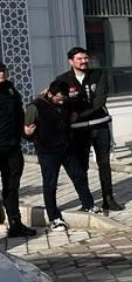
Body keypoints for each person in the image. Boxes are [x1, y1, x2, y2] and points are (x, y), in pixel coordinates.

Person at [56, 48, 123, 213]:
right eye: (79, 59)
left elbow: (99, 101)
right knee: (81, 165)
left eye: (85, 58)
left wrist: (78, 114)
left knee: (104, 163)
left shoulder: (98, 74)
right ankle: (87, 201)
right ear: (71, 61)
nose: (84, 61)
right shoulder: (63, 80)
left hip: (99, 124)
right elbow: (61, 102)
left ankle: (108, 198)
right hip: (78, 130)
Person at [25, 79, 97, 231]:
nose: (61, 101)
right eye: (59, 98)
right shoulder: (36, 107)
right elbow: (27, 130)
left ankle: (88, 204)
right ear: (50, 94)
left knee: (79, 176)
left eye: (64, 98)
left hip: (66, 147)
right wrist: (28, 133)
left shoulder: (66, 103)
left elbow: (75, 109)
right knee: (50, 184)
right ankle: (54, 217)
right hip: (47, 151)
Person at [0, 64, 36, 238]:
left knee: (12, 186)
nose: (1, 73)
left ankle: (15, 223)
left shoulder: (10, 89)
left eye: (2, 70)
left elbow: (19, 115)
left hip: (12, 147)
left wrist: (25, 132)